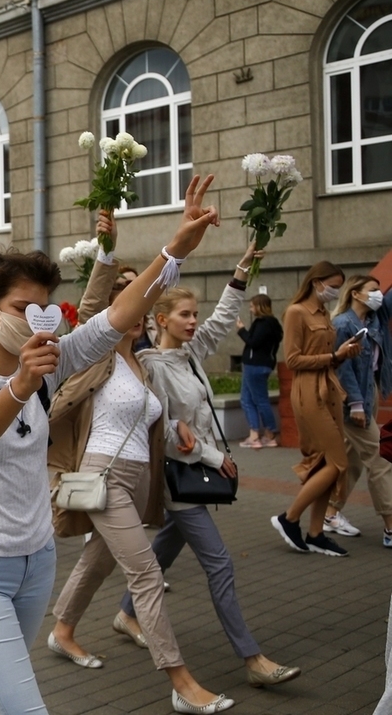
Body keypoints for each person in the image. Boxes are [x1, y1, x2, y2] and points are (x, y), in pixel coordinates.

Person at [0, 176, 223, 715]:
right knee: (24, 705)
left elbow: (116, 317)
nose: (40, 321)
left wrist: (173, 250)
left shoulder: (53, 361)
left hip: (36, 560)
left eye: (47, 308)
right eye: (24, 308)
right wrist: (21, 384)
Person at [47, 217, 233, 712]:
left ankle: (62, 630)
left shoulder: (143, 364)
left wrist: (178, 430)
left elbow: (154, 420)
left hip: (137, 478)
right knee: (147, 574)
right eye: (128, 302)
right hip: (103, 476)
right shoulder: (98, 356)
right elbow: (92, 308)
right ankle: (181, 682)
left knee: (101, 558)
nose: (138, 311)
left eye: (142, 305)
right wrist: (107, 253)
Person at [119, 252, 299, 693]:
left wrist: (240, 275)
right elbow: (167, 435)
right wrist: (218, 459)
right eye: (184, 315)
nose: (193, 321)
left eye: (194, 314)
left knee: (166, 546)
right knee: (220, 565)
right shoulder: (154, 367)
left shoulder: (190, 355)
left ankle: (125, 613)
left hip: (198, 474)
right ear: (161, 319)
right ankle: (252, 658)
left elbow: (222, 319)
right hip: (179, 479)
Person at [272, 261, 363, 557]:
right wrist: (332, 355)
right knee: (338, 463)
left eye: (338, 286)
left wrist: (342, 354)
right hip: (309, 390)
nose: (335, 292)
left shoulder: (324, 313)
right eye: (333, 285)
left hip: (328, 388)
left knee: (326, 463)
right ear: (316, 282)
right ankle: (289, 518)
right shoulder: (296, 313)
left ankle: (315, 533)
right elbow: (294, 360)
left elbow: (327, 358)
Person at [322, 276, 392, 544]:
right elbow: (342, 367)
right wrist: (356, 403)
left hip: (369, 391)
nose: (378, 295)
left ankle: (330, 512)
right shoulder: (343, 324)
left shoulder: (373, 321)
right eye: (373, 291)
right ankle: (390, 526)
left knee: (352, 459)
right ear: (356, 294)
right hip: (352, 399)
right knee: (381, 456)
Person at [235, 294, 282, 448]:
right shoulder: (274, 324)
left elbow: (253, 341)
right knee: (250, 399)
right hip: (265, 364)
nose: (251, 309)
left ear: (259, 306)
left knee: (255, 400)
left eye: (252, 306)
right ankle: (255, 435)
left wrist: (242, 330)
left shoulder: (262, 323)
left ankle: (267, 434)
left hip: (254, 365)